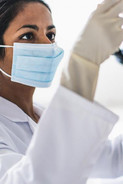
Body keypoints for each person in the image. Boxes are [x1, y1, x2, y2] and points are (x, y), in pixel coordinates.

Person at [0, 0, 122, 183]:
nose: (47, 44)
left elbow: (113, 160)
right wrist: (83, 63)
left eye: (51, 34)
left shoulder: (42, 115)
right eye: (27, 36)